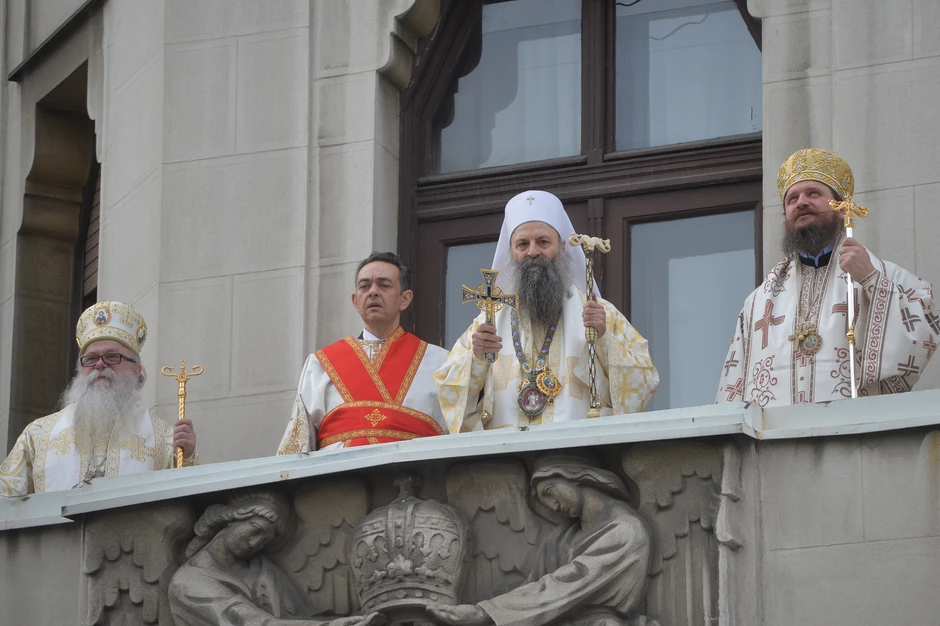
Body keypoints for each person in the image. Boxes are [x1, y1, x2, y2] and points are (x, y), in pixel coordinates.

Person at [717, 148, 937, 407]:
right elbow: (734, 390)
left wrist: (872, 282)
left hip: (853, 436)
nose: (801, 203)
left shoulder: (884, 275)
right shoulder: (756, 303)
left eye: (814, 193)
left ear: (842, 209)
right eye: (792, 199)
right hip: (778, 441)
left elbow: (923, 335)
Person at [435, 190, 658, 432]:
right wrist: (477, 359)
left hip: (576, 451)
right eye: (522, 244)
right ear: (511, 252)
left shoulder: (598, 313)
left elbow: (643, 381)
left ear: (562, 247)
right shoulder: (488, 321)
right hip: (505, 454)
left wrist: (604, 339)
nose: (532, 252)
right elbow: (448, 392)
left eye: (543, 242)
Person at [426, 456, 653, 626]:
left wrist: (485, 612)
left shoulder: (626, 531)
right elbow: (532, 588)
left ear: (574, 475)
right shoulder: (560, 539)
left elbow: (563, 585)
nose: (553, 506)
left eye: (549, 492)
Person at [0, 301, 197, 496]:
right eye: (91, 358)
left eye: (112, 357)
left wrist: (187, 458)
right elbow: (5, 501)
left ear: (136, 371)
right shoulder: (37, 435)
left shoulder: (165, 439)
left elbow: (185, 506)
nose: (100, 365)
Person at [276, 252, 448, 453]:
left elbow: (464, 428)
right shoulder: (320, 364)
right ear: (355, 301)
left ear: (405, 299)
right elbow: (299, 442)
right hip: (340, 480)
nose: (373, 292)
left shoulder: (440, 363)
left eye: (384, 285)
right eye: (364, 286)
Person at [169, 490, 385, 626]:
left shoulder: (264, 570)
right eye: (255, 530)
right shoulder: (189, 582)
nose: (255, 543)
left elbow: (297, 619)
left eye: (265, 540)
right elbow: (249, 622)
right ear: (231, 518)